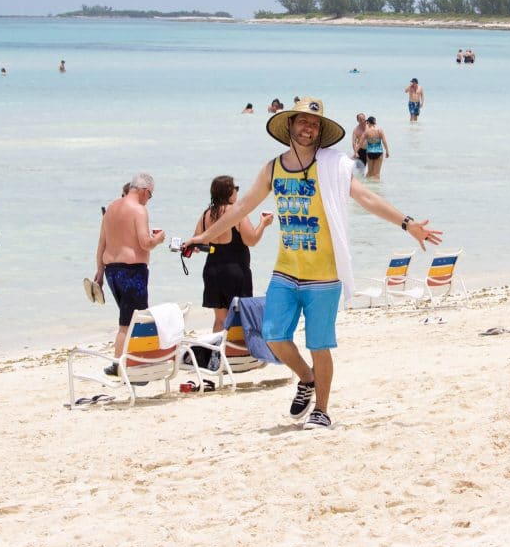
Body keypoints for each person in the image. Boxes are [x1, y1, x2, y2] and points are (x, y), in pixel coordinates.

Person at [188, 98, 442, 430]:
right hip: (286, 271)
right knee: (274, 335)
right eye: (303, 122)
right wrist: (202, 236)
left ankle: (322, 410)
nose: (309, 128)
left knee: (319, 344)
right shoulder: (273, 168)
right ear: (290, 126)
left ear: (320, 132)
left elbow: (366, 197)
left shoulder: (332, 167)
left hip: (324, 275)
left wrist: (407, 224)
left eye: (315, 124)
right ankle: (306, 378)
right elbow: (241, 208)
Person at [94, 173, 166, 365]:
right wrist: (158, 239)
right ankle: (120, 364)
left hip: (111, 271)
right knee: (129, 323)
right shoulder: (138, 210)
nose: (148, 200)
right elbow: (145, 244)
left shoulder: (111, 208)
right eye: (150, 196)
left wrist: (100, 272)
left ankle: (133, 361)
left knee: (130, 319)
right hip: (132, 272)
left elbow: (102, 244)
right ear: (144, 191)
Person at [189, 176, 274, 332]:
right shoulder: (236, 213)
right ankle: (238, 352)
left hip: (212, 270)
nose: (237, 192)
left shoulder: (206, 215)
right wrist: (263, 224)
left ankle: (218, 353)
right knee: (241, 316)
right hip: (236, 271)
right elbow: (251, 240)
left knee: (220, 320)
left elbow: (199, 242)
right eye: (236, 189)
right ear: (229, 191)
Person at [363, 116, 390, 181]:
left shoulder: (367, 131)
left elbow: (362, 143)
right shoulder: (379, 131)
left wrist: (356, 151)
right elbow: (384, 141)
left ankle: (365, 186)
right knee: (377, 174)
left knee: (369, 172)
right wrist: (387, 151)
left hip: (369, 152)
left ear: (368, 122)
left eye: (367, 123)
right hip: (379, 152)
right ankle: (376, 190)